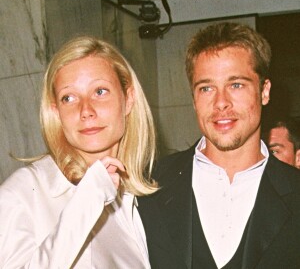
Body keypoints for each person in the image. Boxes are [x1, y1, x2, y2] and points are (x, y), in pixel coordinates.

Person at [137, 22, 300, 269]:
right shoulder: (149, 186)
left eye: (236, 85)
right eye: (206, 88)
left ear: (264, 91)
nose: (221, 102)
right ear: (194, 99)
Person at [0, 35, 158, 268]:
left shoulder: (128, 199)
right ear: (56, 111)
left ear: (129, 99)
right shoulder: (23, 192)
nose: (86, 110)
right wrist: (89, 198)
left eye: (100, 92)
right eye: (69, 97)